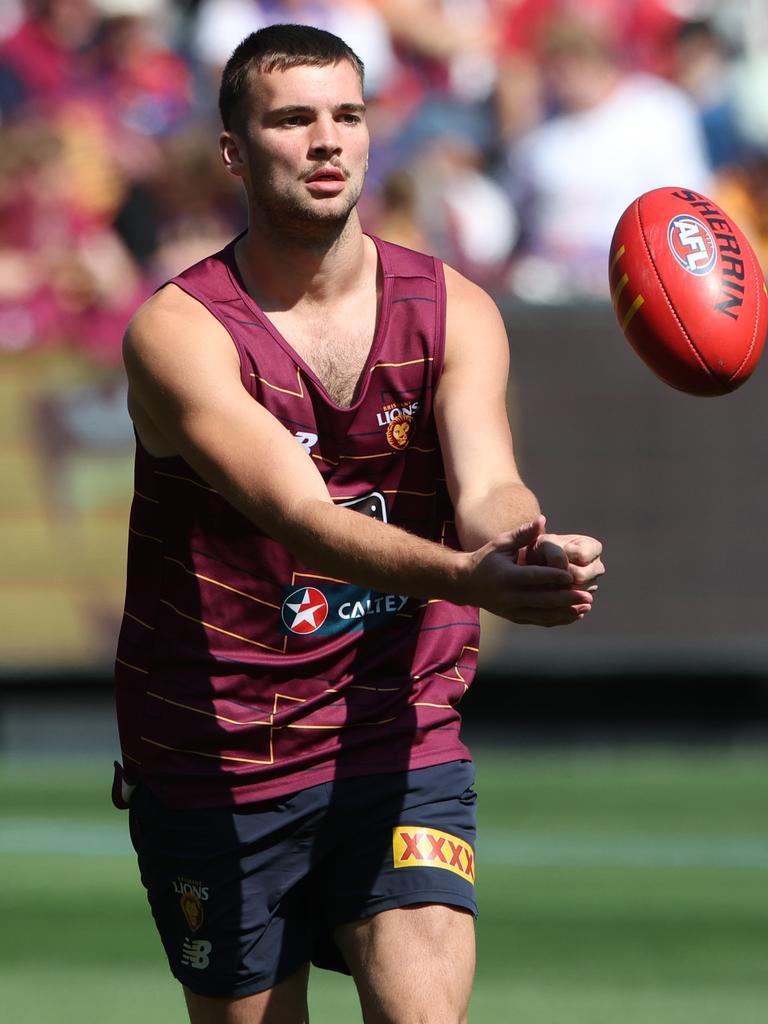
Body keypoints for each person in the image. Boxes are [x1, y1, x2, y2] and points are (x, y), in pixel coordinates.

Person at [113, 23, 604, 1024]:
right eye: (293, 119)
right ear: (235, 152)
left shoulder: (454, 307)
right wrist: (471, 579)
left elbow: (489, 486)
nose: (327, 140)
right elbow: (301, 517)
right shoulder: (178, 333)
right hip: (220, 750)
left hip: (398, 730)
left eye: (347, 114)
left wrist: (523, 540)